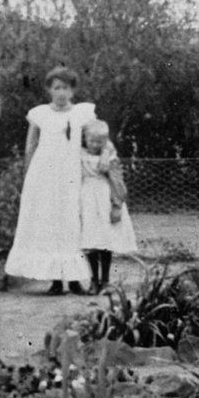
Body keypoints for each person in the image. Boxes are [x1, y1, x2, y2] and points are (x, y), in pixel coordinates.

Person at [2, 65, 92, 294]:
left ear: (73, 91)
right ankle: (55, 280)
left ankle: (73, 280)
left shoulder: (82, 113)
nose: (61, 92)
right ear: (49, 90)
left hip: (71, 176)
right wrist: (27, 176)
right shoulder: (40, 114)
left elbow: (95, 139)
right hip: (44, 177)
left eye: (66, 88)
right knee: (49, 224)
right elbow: (30, 146)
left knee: (71, 224)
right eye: (56, 88)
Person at [78, 118, 138, 293]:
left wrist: (117, 205)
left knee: (105, 240)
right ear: (85, 139)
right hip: (86, 198)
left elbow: (117, 181)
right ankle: (93, 281)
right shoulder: (80, 153)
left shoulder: (109, 157)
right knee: (90, 240)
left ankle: (105, 280)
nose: (95, 144)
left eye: (100, 141)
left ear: (105, 142)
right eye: (92, 140)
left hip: (104, 197)